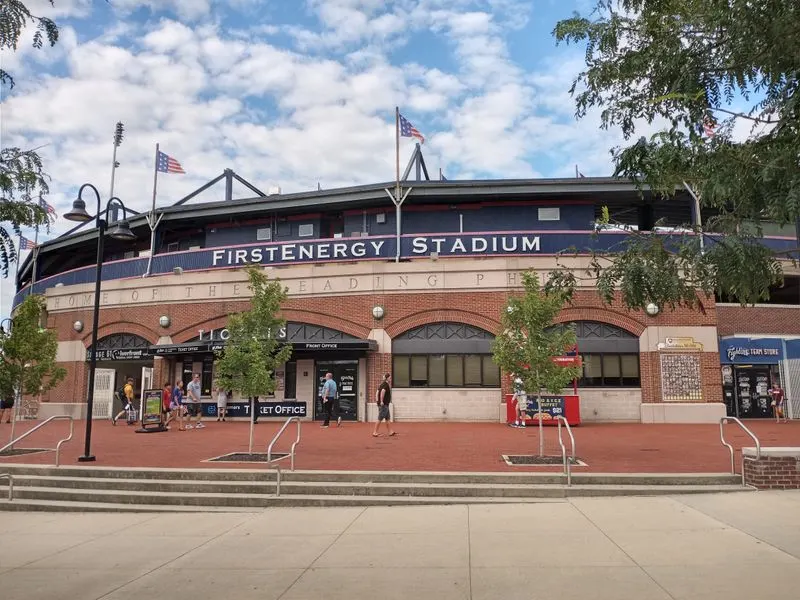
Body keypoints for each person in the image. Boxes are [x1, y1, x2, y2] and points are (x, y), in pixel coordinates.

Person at [372, 372, 396, 437]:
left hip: (385, 405)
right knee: (380, 418)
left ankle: (390, 432)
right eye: (390, 378)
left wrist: (377, 401)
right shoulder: (385, 385)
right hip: (384, 405)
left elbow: (377, 392)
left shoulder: (381, 384)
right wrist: (381, 401)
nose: (390, 379)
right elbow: (382, 391)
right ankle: (375, 432)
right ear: (387, 378)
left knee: (387, 418)